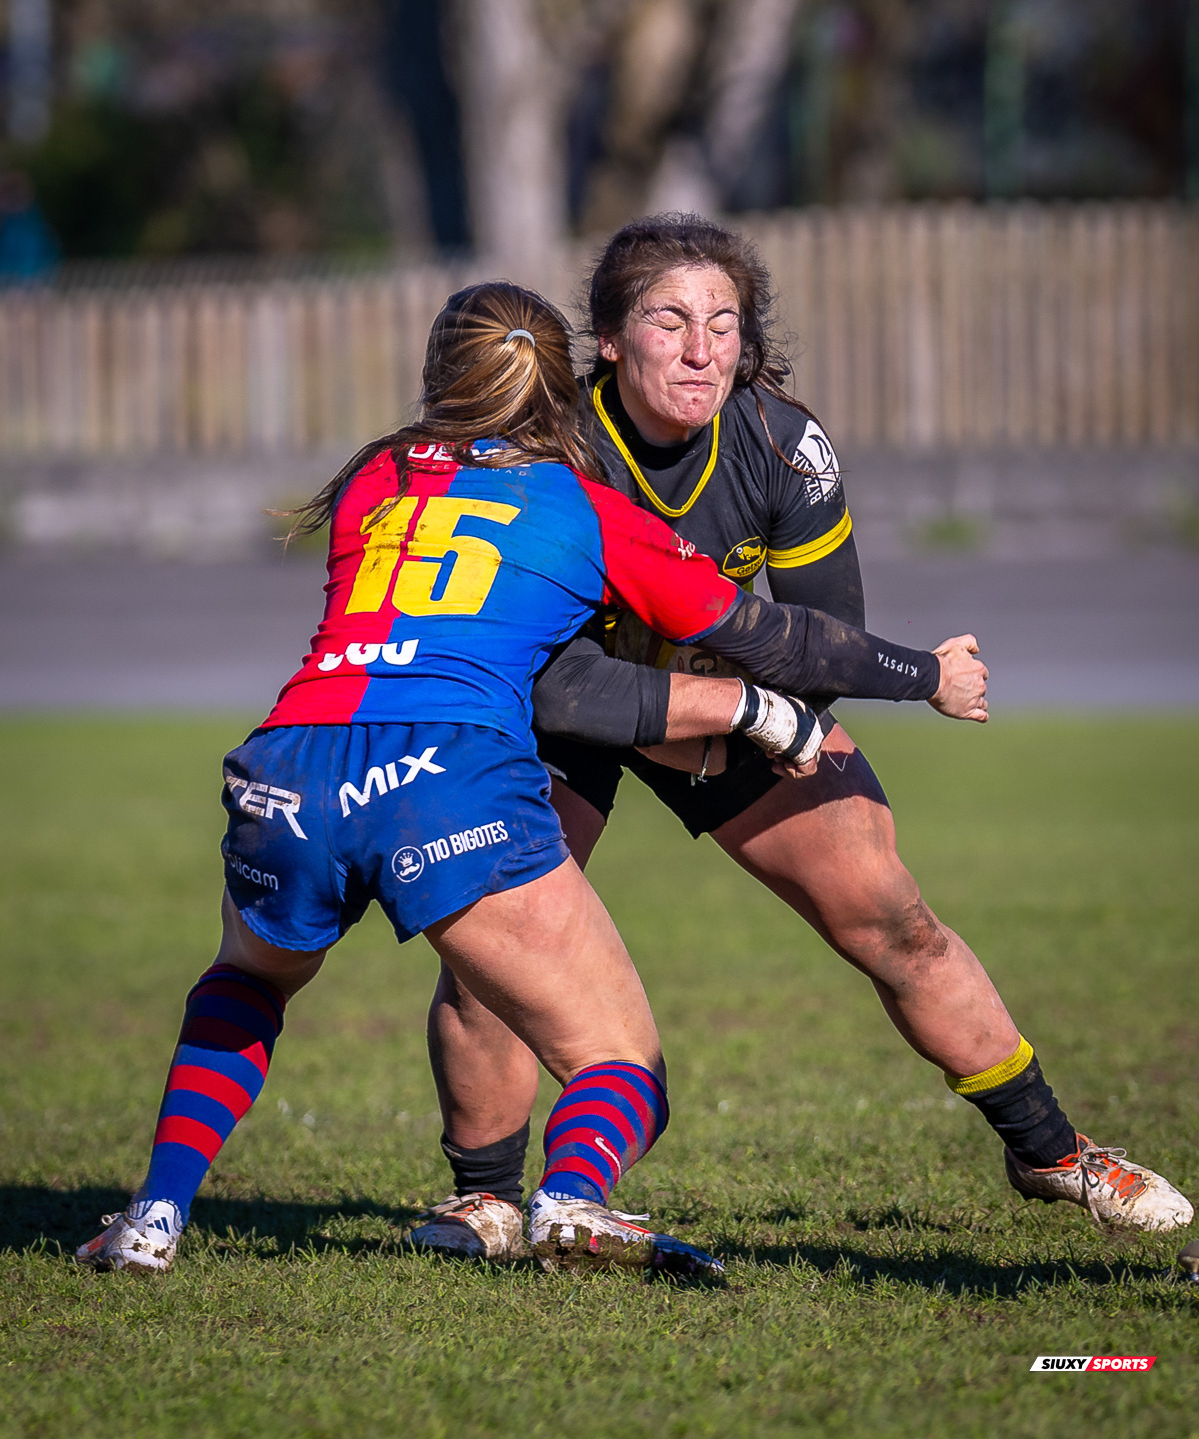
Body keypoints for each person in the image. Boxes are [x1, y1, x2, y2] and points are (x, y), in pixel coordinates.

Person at [74, 280, 987, 1281]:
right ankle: (570, 1199)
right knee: (619, 1061)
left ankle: (152, 1218)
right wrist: (923, 675)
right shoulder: (589, 510)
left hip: (294, 757)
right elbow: (769, 634)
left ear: (436, 380)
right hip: (449, 772)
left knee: (247, 983)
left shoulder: (373, 477)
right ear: (566, 391)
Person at [418, 220, 1193, 1261]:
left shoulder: (783, 443)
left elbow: (817, 644)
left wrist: (768, 711)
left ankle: (1049, 1152)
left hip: (720, 693)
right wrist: (703, 709)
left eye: (722, 325)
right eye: (669, 320)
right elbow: (551, 683)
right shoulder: (550, 446)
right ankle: (483, 1199)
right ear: (608, 338)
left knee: (891, 914)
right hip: (550, 701)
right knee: (492, 957)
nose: (701, 350)